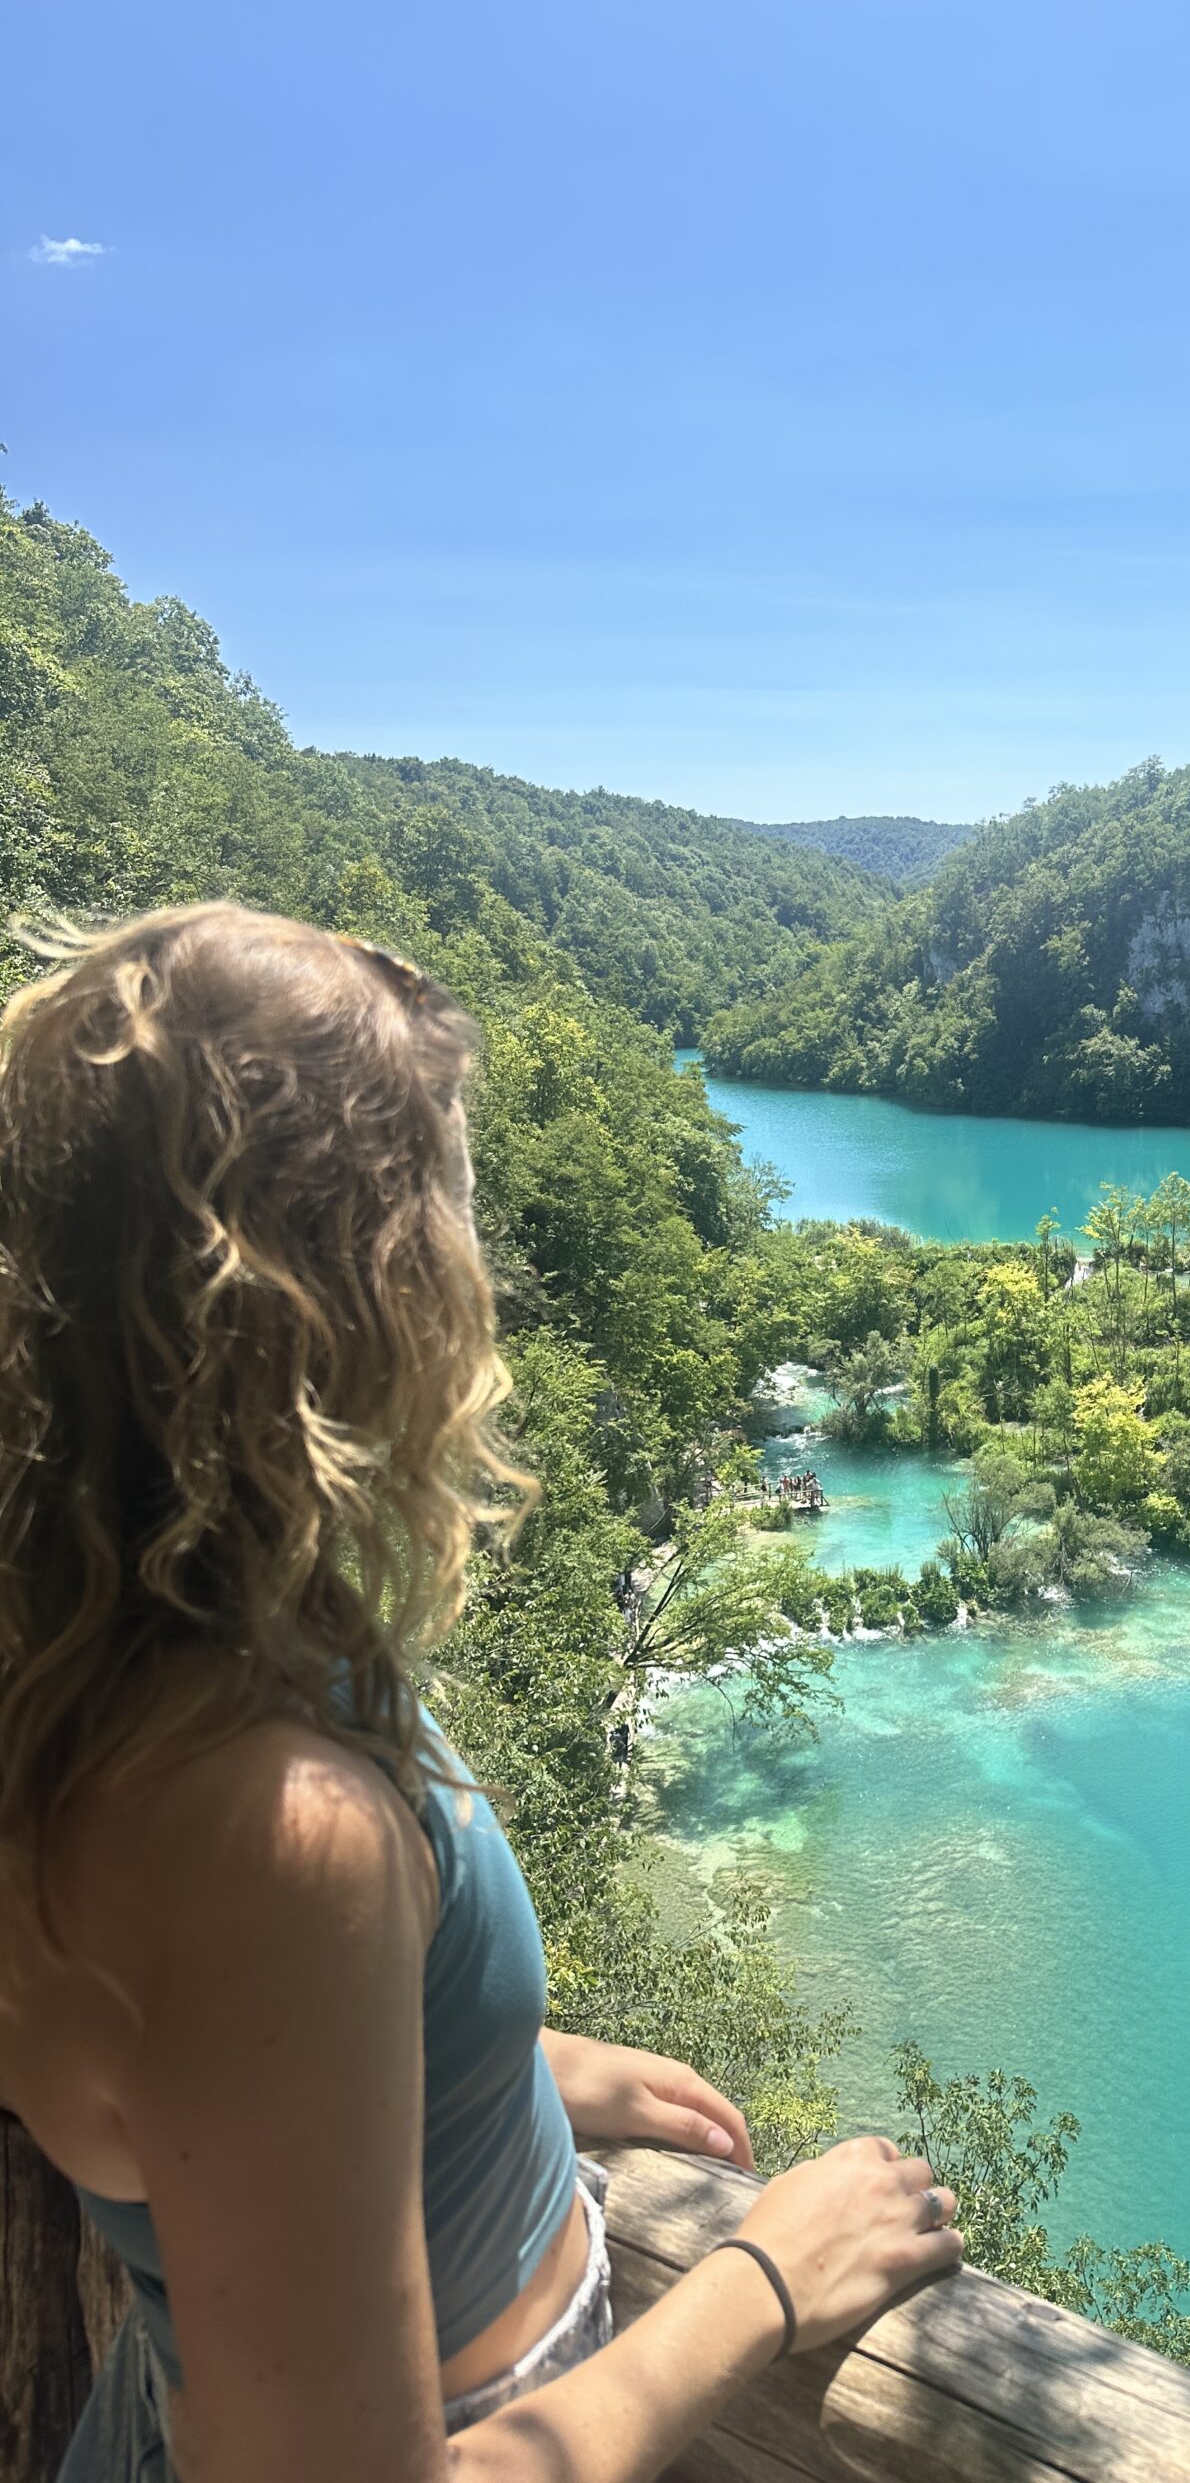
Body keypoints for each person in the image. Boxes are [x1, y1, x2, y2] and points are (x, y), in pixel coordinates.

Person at [0, 905, 961, 2482]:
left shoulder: (98, 1633)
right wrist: (763, 2284)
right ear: (362, 1293)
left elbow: (186, 2082)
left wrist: (484, 2068)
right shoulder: (271, 1823)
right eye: (450, 1210)